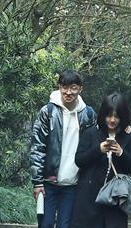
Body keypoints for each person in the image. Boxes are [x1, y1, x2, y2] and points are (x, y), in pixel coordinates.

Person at [30, 70, 96, 228]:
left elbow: (98, 138)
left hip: (73, 184)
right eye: (64, 87)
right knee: (45, 224)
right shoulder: (48, 112)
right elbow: (37, 146)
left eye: (73, 87)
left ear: (80, 88)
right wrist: (37, 182)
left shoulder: (88, 114)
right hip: (48, 182)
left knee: (65, 225)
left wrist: (125, 126)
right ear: (59, 87)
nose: (68, 92)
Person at [70, 92, 131, 228]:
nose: (112, 120)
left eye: (116, 116)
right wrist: (98, 150)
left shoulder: (129, 137)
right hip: (89, 199)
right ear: (103, 115)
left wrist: (121, 153)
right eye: (109, 116)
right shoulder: (91, 133)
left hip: (116, 201)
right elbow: (79, 160)